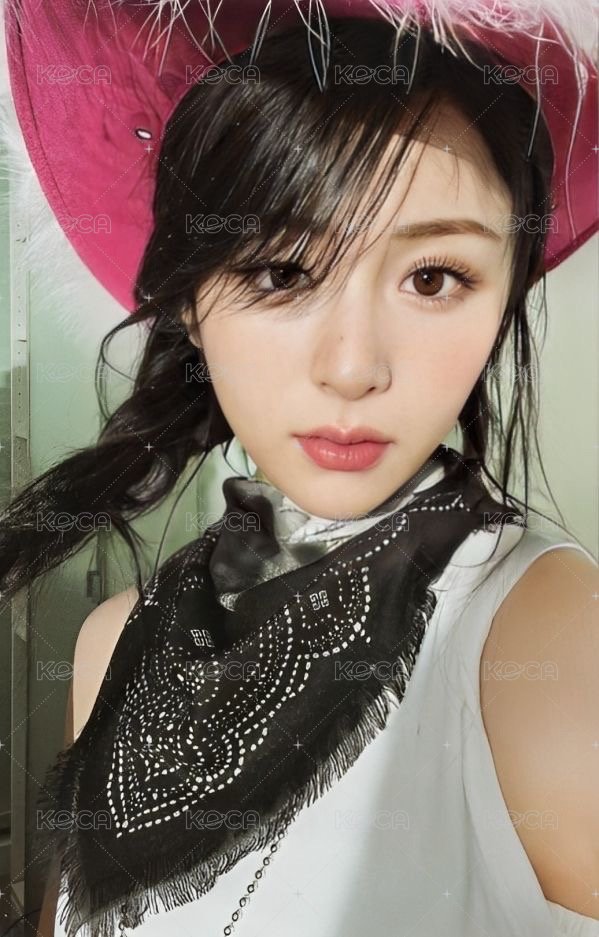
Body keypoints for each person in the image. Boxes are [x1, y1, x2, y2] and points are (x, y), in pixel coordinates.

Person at [1, 2, 598, 935]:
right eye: (281, 273)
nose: (353, 367)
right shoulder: (110, 640)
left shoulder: (544, 637)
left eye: (433, 277)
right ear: (189, 299)